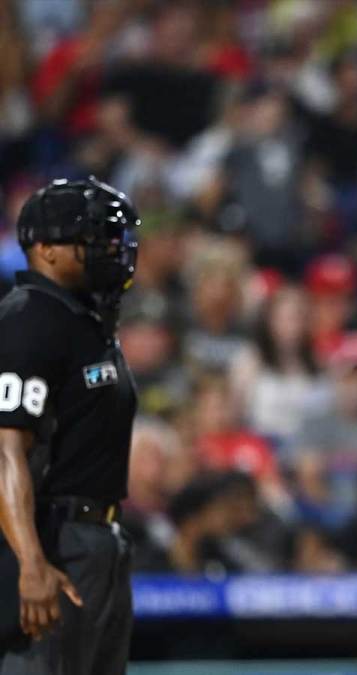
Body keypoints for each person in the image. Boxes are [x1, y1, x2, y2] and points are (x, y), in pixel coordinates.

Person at [0, 177, 140, 673]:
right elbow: (5, 451)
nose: (107, 249)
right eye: (90, 238)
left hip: (98, 538)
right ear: (45, 248)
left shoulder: (82, 319)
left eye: (110, 238)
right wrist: (31, 564)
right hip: (53, 541)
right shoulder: (28, 320)